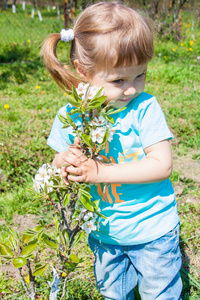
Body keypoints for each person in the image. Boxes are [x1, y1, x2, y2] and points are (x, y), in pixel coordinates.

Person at [41, 2, 182, 299]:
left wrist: (101, 172)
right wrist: (64, 163)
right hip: (105, 234)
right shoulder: (73, 115)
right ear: (83, 71)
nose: (132, 89)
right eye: (119, 80)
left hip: (153, 230)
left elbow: (162, 165)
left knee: (161, 294)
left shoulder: (145, 108)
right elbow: (59, 161)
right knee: (113, 293)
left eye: (140, 75)